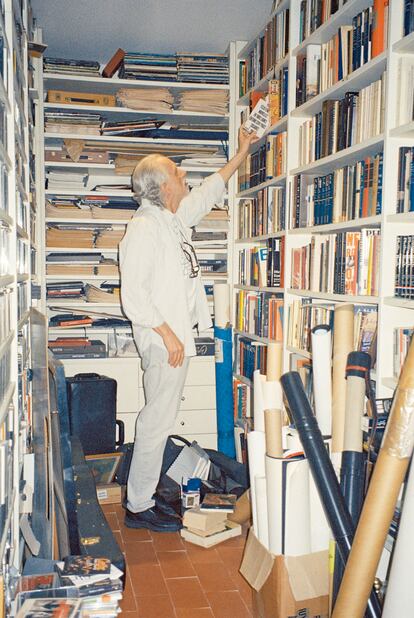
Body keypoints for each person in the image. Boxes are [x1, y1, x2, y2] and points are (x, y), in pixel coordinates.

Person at [119, 126, 258, 531]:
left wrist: (242, 151)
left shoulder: (169, 220)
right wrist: (167, 334)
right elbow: (134, 297)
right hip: (166, 343)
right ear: (163, 186)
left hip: (173, 341)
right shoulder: (143, 229)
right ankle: (138, 505)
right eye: (178, 175)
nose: (185, 179)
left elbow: (208, 193)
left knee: (159, 420)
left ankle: (141, 498)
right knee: (155, 422)